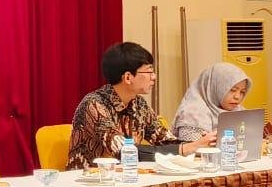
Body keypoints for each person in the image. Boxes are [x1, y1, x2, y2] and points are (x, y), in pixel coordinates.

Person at [67, 41, 215, 170]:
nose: (154, 77)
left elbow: (165, 141)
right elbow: (124, 151)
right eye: (149, 71)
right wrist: (186, 149)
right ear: (128, 77)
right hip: (89, 182)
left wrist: (200, 144)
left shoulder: (138, 104)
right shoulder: (94, 104)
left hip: (127, 176)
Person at [172, 63, 251, 143]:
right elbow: (192, 148)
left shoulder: (238, 110)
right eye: (232, 90)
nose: (237, 96)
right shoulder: (192, 114)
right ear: (214, 87)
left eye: (242, 92)